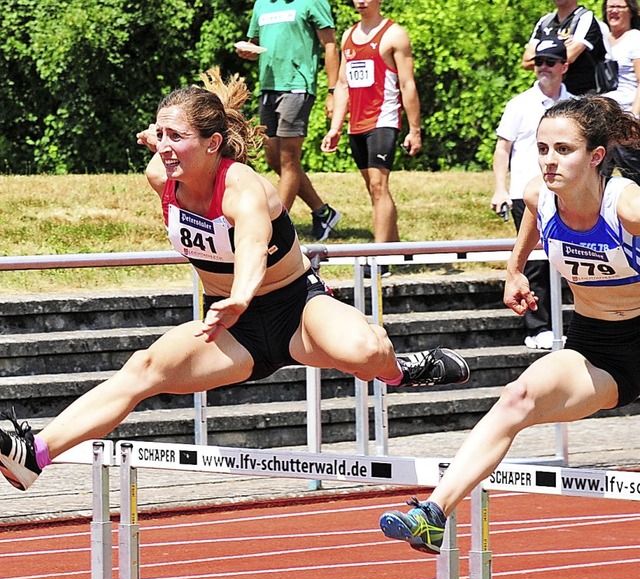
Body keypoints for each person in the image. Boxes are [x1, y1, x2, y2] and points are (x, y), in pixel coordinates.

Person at [0, 68, 470, 493]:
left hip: (296, 309)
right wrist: (165, 139)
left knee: (366, 352)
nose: (164, 147)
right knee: (143, 369)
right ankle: (35, 454)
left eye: (176, 136)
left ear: (212, 143)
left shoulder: (244, 186)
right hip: (231, 332)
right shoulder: (160, 178)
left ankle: (403, 370)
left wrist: (240, 298)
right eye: (159, 135)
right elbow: (167, 152)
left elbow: (250, 246)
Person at [379, 96, 640, 554]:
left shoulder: (627, 206)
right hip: (597, 348)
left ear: (596, 156)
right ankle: (433, 515)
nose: (549, 160)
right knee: (516, 396)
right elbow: (532, 228)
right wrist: (515, 271)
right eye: (542, 148)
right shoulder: (540, 197)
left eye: (563, 150)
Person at [320, 0, 422, 274]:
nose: (361, 1)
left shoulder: (394, 34)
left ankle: (379, 259)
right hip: (357, 124)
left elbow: (407, 83)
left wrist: (414, 129)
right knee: (375, 189)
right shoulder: (348, 35)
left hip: (384, 119)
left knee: (379, 186)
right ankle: (399, 248)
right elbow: (342, 83)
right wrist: (336, 127)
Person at [491, 37, 573, 351]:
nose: (543, 68)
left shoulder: (577, 106)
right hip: (526, 195)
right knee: (535, 262)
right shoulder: (519, 104)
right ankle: (539, 328)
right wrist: (500, 188)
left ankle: (564, 326)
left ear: (564, 66)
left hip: (566, 194)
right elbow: (503, 148)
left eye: (550, 62)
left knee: (567, 258)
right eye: (539, 61)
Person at [236, 0, 341, 242]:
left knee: (289, 159)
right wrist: (246, 52)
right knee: (274, 158)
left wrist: (333, 91)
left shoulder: (312, 2)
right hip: (268, 87)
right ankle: (323, 212)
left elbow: (330, 45)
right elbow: (255, 46)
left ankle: (275, 228)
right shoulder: (262, 4)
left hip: (297, 86)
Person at [522, 0, 608, 95]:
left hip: (582, 96)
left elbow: (569, 57)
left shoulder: (585, 18)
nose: (544, 64)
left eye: (549, 62)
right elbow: (526, 62)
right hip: (550, 95)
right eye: (540, 61)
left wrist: (543, 53)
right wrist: (561, 47)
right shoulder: (545, 22)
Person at [602, 0, 640, 183]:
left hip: (627, 119)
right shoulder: (602, 38)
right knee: (599, 177)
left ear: (631, 11)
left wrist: (633, 117)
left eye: (619, 7)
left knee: (634, 175)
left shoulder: (635, 38)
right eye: (610, 7)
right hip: (604, 119)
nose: (613, 11)